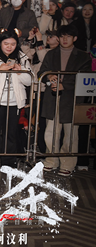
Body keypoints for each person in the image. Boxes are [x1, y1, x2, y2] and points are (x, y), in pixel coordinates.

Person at [38, 24, 91, 176]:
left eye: (68, 36)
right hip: (52, 97)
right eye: (62, 36)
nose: (65, 39)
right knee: (50, 132)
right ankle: (51, 160)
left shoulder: (83, 56)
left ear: (75, 38)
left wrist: (64, 85)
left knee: (71, 133)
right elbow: (42, 72)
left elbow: (85, 78)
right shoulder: (51, 54)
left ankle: (68, 163)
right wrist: (49, 76)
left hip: (72, 98)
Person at [0, 31, 33, 175]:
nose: (9, 47)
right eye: (6, 43)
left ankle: (9, 163)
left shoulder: (22, 58)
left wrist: (20, 72)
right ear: (0, 43)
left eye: (13, 44)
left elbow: (30, 81)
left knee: (11, 134)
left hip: (14, 102)